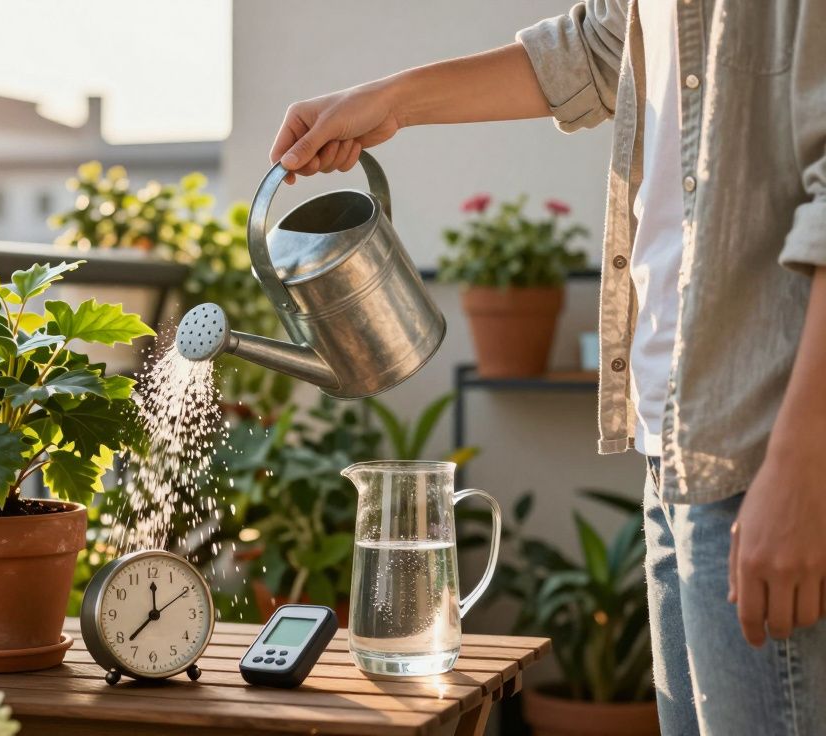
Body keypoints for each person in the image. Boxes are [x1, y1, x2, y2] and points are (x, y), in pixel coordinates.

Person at [268, 2, 826, 734]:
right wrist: (388, 102)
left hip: (766, 440)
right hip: (673, 439)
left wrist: (803, 466)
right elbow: (594, 48)